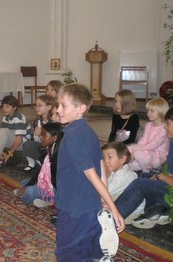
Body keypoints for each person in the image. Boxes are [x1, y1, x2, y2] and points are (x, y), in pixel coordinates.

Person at [55, 83, 125, 261]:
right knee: (86, 247)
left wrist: (114, 209)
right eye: (58, 105)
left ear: (81, 108)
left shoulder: (73, 136)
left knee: (68, 252)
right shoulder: (88, 131)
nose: (58, 110)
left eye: (63, 105)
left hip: (73, 206)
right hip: (91, 205)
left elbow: (92, 174)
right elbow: (101, 165)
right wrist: (102, 200)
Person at [115, 105, 173, 229]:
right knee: (144, 175)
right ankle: (155, 209)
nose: (165, 127)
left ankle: (112, 218)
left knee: (140, 184)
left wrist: (161, 176)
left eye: (168, 124)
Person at [14, 122, 62, 207]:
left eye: (44, 135)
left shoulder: (59, 154)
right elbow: (41, 170)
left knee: (30, 191)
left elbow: (57, 181)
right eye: (41, 135)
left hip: (56, 189)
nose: (40, 138)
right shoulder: (50, 149)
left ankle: (50, 199)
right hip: (48, 183)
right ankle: (42, 200)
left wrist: (35, 187)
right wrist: (29, 184)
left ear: (54, 138)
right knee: (24, 183)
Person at [0, 95, 32, 172]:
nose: (4, 109)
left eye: (7, 106)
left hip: (22, 144)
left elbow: (19, 140)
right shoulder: (5, 118)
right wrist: (2, 151)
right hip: (12, 141)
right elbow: (1, 137)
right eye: (3, 106)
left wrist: (8, 154)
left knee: (4, 131)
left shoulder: (18, 118)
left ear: (14, 108)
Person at [101, 141, 145, 224]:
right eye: (104, 158)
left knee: (98, 202)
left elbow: (103, 192)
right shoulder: (117, 170)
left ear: (122, 159)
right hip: (121, 201)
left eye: (109, 157)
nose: (105, 161)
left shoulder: (123, 175)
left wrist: (104, 173)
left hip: (131, 214)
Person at [128, 97, 170, 172]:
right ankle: (136, 163)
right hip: (147, 150)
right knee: (128, 149)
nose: (148, 113)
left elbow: (154, 145)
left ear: (161, 112)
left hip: (158, 155)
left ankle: (145, 171)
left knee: (138, 154)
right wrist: (136, 148)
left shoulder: (164, 128)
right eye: (148, 111)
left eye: (152, 111)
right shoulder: (149, 125)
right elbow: (144, 139)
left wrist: (137, 150)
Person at [22, 95, 56, 171]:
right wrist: (37, 135)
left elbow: (54, 140)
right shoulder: (37, 122)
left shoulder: (53, 122)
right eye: (36, 105)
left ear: (49, 107)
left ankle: (44, 165)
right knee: (26, 143)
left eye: (40, 105)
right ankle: (32, 164)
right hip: (42, 146)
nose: (37, 108)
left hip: (51, 148)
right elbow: (36, 140)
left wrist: (42, 134)